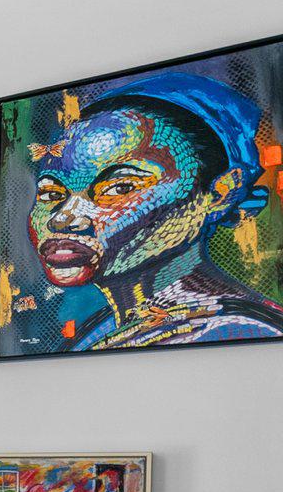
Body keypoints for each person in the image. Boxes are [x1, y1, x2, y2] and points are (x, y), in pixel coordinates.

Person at [27, 71, 283, 348]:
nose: (63, 219)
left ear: (219, 193)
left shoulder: (235, 331)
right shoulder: (103, 331)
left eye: (119, 188)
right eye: (50, 193)